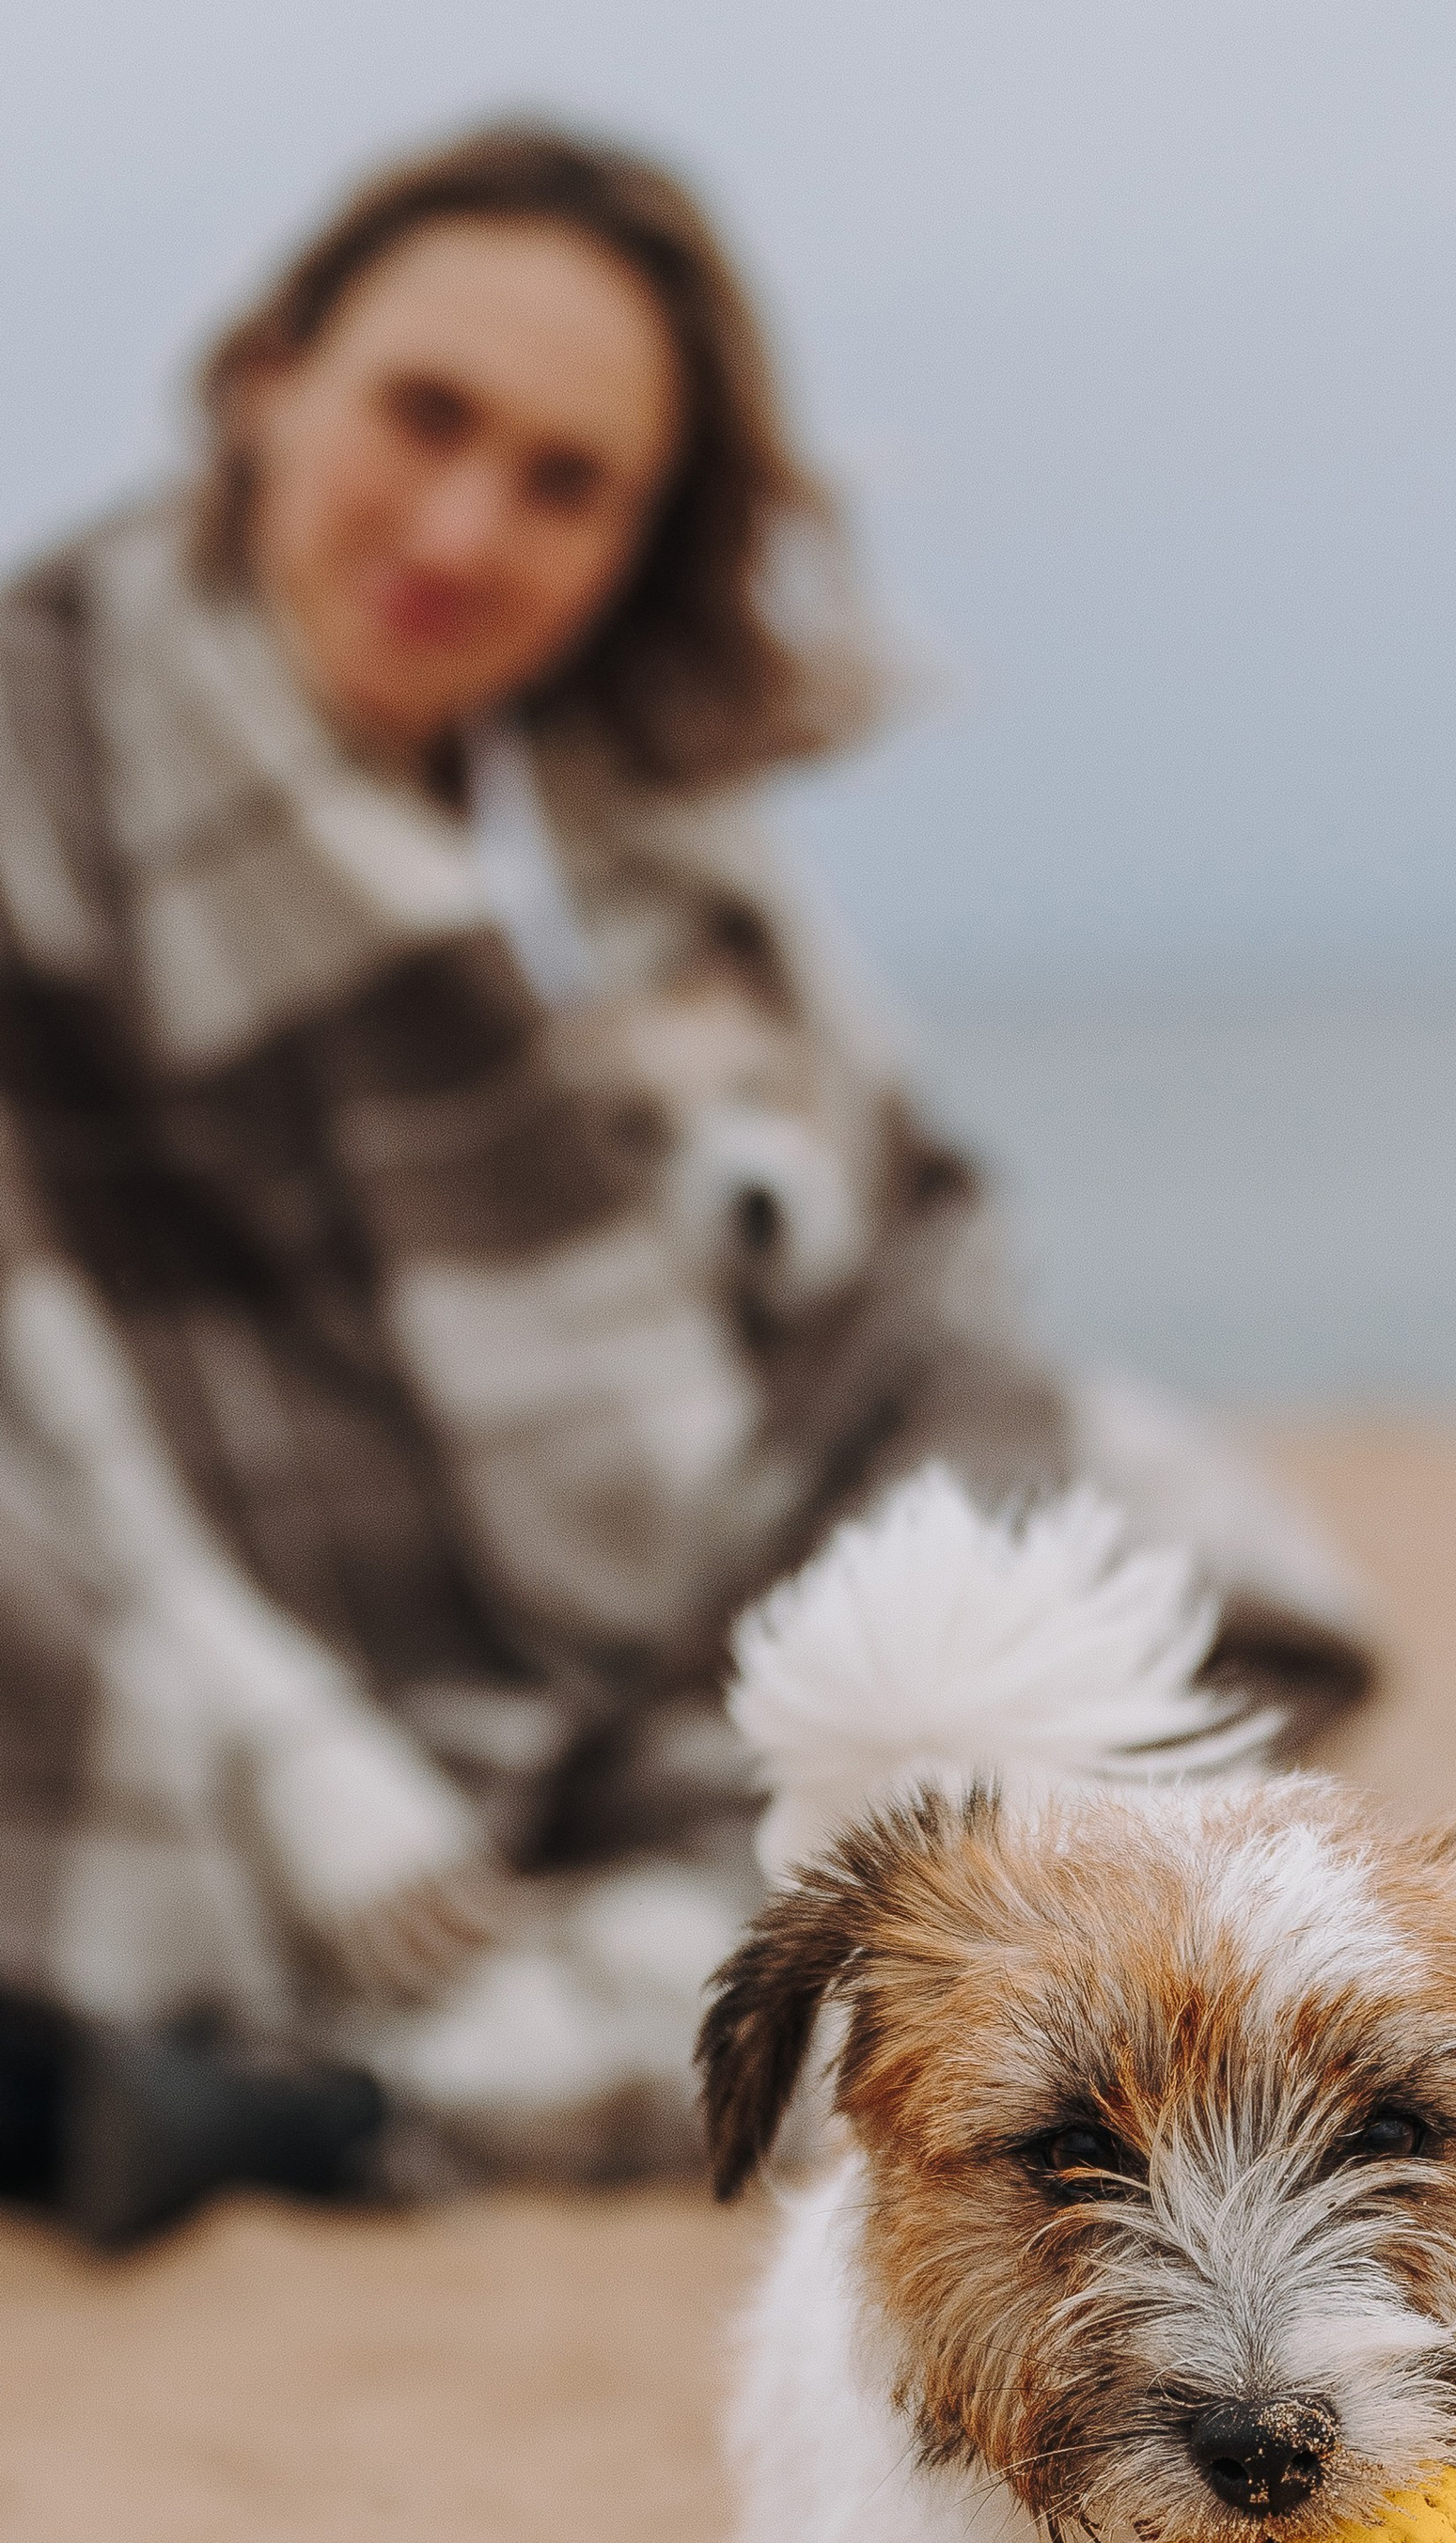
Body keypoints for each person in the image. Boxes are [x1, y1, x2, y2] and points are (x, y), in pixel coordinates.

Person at [0, 124, 1374, 2245]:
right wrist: (284, 1731)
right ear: (267, 377)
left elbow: (908, 1253)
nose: (463, 528)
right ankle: (448, 2035)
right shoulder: (40, 747)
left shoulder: (640, 821)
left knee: (1145, 1551)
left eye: (566, 482)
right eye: (424, 415)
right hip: (186, 1580)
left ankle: (352, 2102)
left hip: (661, 1586)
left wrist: (908, 1541)